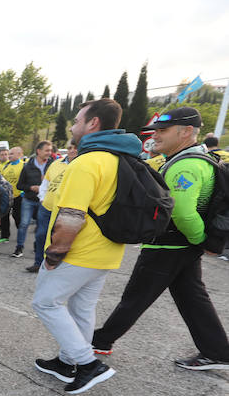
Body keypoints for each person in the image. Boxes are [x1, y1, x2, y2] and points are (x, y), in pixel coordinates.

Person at [91, 107, 229, 370]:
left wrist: (201, 240)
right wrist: (198, 242)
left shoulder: (186, 165)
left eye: (163, 131)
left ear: (187, 131)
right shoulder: (193, 159)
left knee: (136, 296)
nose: (156, 136)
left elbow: (184, 212)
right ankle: (218, 352)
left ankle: (101, 340)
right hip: (181, 245)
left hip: (169, 244)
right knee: (192, 298)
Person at [31, 98, 141, 394]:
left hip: (80, 251)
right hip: (107, 251)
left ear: (94, 124)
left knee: (45, 302)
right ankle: (68, 363)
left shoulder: (87, 162)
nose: (72, 126)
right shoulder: (120, 158)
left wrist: (53, 256)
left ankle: (88, 364)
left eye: (77, 120)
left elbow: (71, 217)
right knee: (82, 308)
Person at [28, 140, 77, 272]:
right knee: (40, 235)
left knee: (59, 239)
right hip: (46, 208)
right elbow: (45, 183)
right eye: (70, 147)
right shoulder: (55, 164)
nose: (72, 150)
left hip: (64, 211)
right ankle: (38, 263)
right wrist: (42, 199)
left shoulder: (80, 166)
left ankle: (55, 265)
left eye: (75, 148)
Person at [14, 141, 53, 258]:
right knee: (24, 224)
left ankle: (38, 247)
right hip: (29, 200)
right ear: (38, 151)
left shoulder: (53, 165)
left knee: (42, 226)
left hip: (45, 201)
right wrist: (31, 187)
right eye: (47, 150)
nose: (49, 153)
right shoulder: (27, 166)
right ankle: (19, 247)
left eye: (50, 150)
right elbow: (19, 185)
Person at [0, 146, 25, 244]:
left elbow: (27, 179)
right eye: (10, 153)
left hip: (18, 196)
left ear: (19, 155)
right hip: (6, 196)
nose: (9, 155)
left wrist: (23, 192)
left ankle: (21, 236)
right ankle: (5, 236)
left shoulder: (23, 166)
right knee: (4, 216)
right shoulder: (6, 166)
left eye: (12, 153)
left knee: (17, 216)